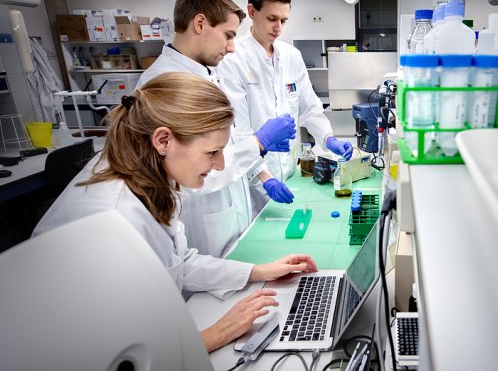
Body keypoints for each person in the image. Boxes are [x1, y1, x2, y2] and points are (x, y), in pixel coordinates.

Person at [32, 73, 318, 353]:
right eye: (212, 152)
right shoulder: (112, 217)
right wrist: (214, 334)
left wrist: (260, 271)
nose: (219, 165)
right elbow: (106, 351)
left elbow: (178, 262)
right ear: (163, 140)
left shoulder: (150, 177)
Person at [137, 0, 296, 258]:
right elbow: (192, 174)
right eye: (228, 35)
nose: (232, 47)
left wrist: (257, 152)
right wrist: (258, 143)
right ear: (200, 23)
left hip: (231, 213)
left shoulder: (206, 73)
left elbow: (223, 144)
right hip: (204, 221)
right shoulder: (165, 83)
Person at [218, 0, 353, 210]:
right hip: (255, 181)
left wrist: (328, 138)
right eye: (272, 19)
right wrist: (265, 177)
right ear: (252, 11)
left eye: (283, 20)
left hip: (290, 173)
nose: (278, 27)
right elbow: (238, 131)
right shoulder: (232, 59)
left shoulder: (292, 56)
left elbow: (310, 108)